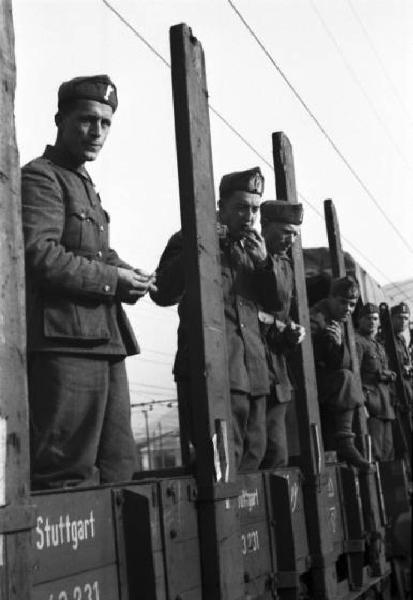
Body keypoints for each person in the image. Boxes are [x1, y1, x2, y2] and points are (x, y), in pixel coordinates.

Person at [22, 75, 156, 489]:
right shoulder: (41, 178)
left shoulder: (83, 183)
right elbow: (40, 255)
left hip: (103, 341)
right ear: (59, 120)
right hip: (65, 345)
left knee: (118, 467)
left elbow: (91, 254)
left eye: (106, 123)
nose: (97, 132)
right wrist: (113, 281)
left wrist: (128, 273)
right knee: (66, 474)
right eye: (87, 120)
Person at [151, 167, 285, 471]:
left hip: (253, 374)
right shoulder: (189, 236)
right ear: (220, 207)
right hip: (210, 371)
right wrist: (200, 243)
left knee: (255, 454)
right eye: (240, 207)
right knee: (219, 464)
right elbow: (162, 292)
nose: (249, 216)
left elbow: (276, 303)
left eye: (254, 209)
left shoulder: (255, 250)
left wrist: (265, 263)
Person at [258, 200, 305, 468]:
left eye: (295, 234)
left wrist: (291, 332)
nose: (291, 239)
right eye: (286, 232)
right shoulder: (251, 257)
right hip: (249, 367)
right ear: (264, 227)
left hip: (276, 371)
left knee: (277, 456)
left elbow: (281, 318)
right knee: (254, 453)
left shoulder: (285, 266)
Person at [310, 276, 370, 470]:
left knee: (349, 377)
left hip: (329, 385)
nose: (348, 309)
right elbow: (306, 357)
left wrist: (337, 346)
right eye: (343, 302)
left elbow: (345, 361)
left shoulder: (341, 322)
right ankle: (345, 443)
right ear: (331, 298)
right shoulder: (317, 318)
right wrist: (330, 344)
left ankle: (347, 442)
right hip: (310, 382)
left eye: (352, 305)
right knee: (346, 377)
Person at [355, 303, 396, 462]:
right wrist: (361, 404)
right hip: (371, 405)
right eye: (368, 318)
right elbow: (355, 375)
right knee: (375, 452)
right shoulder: (357, 342)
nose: (372, 322)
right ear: (360, 320)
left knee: (388, 452)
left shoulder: (378, 345)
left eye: (375, 319)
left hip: (385, 405)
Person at [390, 302, 413, 410]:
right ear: (391, 318)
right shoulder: (385, 338)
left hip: (407, 386)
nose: (403, 321)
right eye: (399, 318)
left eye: (406, 318)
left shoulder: (402, 339)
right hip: (395, 388)